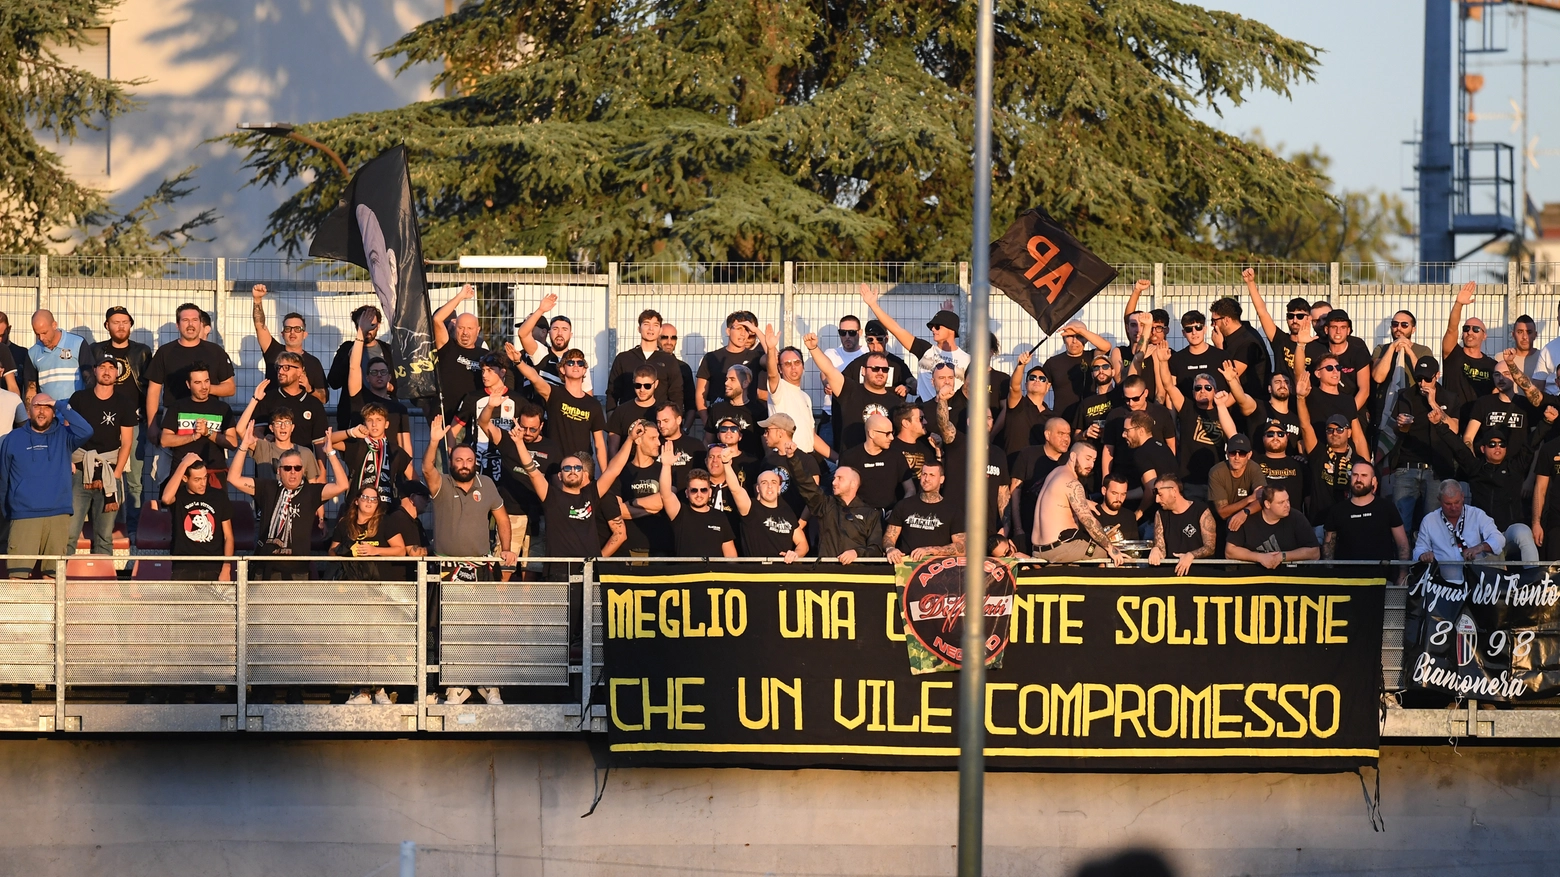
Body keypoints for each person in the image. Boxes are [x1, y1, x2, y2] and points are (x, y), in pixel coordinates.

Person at [229, 423, 349, 579]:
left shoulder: (310, 492)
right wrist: (244, 446)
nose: (293, 472)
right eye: (287, 468)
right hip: (265, 566)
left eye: (298, 468)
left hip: (297, 569)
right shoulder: (267, 487)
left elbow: (343, 485)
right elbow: (233, 478)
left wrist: (331, 453)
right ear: (279, 471)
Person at [145, 303, 237, 492]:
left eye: (195, 320)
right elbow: (153, 391)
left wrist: (203, 388)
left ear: (201, 324)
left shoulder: (214, 351)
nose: (190, 324)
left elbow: (230, 388)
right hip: (174, 421)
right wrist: (152, 425)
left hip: (210, 420)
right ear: (178, 325)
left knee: (209, 477)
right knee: (167, 478)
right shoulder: (165, 352)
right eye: (185, 320)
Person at [0, 394, 93, 576]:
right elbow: (4, 480)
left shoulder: (64, 437)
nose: (41, 411)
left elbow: (86, 430)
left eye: (47, 406)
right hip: (23, 517)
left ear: (54, 411)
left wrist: (59, 405)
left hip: (57, 515)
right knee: (17, 578)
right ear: (28, 411)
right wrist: (8, 513)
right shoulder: (12, 439)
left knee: (52, 578)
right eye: (37, 406)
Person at [78, 306, 152, 529]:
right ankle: (100, 524)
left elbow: (150, 387)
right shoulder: (95, 350)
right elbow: (88, 383)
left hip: (134, 422)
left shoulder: (143, 352)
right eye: (115, 322)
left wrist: (151, 419)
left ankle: (132, 528)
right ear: (106, 326)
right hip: (101, 423)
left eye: (124, 322)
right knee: (95, 473)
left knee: (134, 480)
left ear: (131, 324)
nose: (120, 326)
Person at [775, 435, 881, 563]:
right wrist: (793, 459)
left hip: (857, 575)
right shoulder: (825, 504)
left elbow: (876, 549)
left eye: (840, 478)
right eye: (834, 477)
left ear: (853, 484)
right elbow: (806, 485)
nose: (834, 482)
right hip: (826, 572)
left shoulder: (870, 513)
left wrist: (856, 553)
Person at [67, 356, 136, 555]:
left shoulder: (124, 403)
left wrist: (116, 474)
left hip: (109, 471)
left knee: (104, 536)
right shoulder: (79, 399)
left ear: (117, 373)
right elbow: (66, 433)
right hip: (79, 471)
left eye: (112, 368)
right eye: (102, 367)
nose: (107, 371)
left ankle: (102, 585)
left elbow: (127, 442)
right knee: (70, 533)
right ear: (95, 370)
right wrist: (68, 462)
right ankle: (63, 582)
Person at [856, 283, 970, 401]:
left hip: (953, 415)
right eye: (932, 327)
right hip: (926, 413)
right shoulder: (925, 350)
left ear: (951, 329)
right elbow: (896, 329)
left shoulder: (967, 360)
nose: (933, 329)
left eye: (937, 326)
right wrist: (873, 305)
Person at [1390, 357, 1463, 532]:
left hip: (1436, 470)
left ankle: (1431, 559)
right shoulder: (1406, 395)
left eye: (1427, 379)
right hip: (1407, 467)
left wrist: (1433, 404)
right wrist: (1402, 426)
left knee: (1434, 526)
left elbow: (1454, 429)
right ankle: (1403, 558)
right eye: (1419, 378)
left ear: (1437, 375)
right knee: (1401, 524)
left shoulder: (1450, 398)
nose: (1422, 383)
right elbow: (1394, 430)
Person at [1030, 442, 1127, 565]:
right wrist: (1111, 549)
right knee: (1110, 551)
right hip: (1060, 548)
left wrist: (1084, 501)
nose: (1091, 465)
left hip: (1037, 549)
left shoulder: (1055, 473)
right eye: (1087, 459)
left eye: (1094, 460)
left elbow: (1051, 496)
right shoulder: (1073, 484)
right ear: (1073, 457)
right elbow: (1088, 520)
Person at [1454, 428, 1540, 562]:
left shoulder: (1515, 466)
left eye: (1502, 444)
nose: (1497, 447)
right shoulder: (1475, 467)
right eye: (1492, 444)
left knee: (1523, 532)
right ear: (1483, 449)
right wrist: (1439, 426)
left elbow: (1530, 445)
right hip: (1485, 538)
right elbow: (1458, 448)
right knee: (1491, 556)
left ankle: (1534, 578)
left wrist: (1547, 422)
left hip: (1510, 534)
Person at [1158, 362, 1244, 496]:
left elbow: (1239, 395)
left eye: (1208, 387)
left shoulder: (1222, 410)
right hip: (1190, 481)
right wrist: (1163, 362)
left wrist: (1232, 380)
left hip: (1217, 480)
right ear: (1193, 393)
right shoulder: (1187, 407)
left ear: (1214, 391)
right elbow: (1168, 385)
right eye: (1198, 388)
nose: (1202, 390)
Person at [515, 348, 609, 467]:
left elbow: (599, 444)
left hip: (582, 466)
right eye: (570, 363)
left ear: (584, 370)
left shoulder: (593, 404)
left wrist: (605, 474)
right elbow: (534, 377)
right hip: (555, 463)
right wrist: (519, 361)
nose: (576, 366)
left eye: (580, 363)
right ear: (562, 369)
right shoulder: (554, 393)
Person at [806, 333, 896, 449]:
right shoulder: (850, 391)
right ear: (863, 371)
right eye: (875, 368)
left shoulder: (895, 402)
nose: (880, 372)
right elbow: (829, 370)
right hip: (852, 462)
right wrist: (813, 348)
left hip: (884, 463)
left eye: (884, 369)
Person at [1414, 480, 1504, 584]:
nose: (1453, 507)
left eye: (1457, 502)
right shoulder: (1429, 520)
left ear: (1462, 497)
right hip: (1442, 584)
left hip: (1476, 581)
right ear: (1439, 500)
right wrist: (1423, 555)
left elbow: (1499, 539)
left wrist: (1479, 547)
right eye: (1448, 504)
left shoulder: (1477, 514)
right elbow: (1419, 549)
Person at [162, 453, 233, 581]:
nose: (202, 484)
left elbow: (228, 536)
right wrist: (183, 464)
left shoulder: (218, 496)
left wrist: (226, 567)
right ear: (185, 478)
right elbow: (166, 499)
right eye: (197, 479)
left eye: (204, 478)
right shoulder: (179, 496)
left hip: (213, 565)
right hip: (184, 565)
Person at [509, 293, 593, 402]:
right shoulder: (541, 353)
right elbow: (523, 334)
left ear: (571, 334)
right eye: (555, 329)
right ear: (548, 332)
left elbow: (588, 398)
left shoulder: (579, 362)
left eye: (564, 329)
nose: (559, 333)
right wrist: (540, 310)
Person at [1323, 459, 1409, 565]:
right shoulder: (1337, 510)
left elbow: (1402, 544)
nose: (1358, 479)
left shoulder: (1387, 507)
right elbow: (1328, 547)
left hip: (1381, 577)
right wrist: (1329, 575)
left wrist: (1403, 574)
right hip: (1346, 577)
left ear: (1373, 481)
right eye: (1355, 475)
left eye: (1364, 475)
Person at [158, 364, 236, 481]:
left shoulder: (222, 408)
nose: (204, 387)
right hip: (184, 474)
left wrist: (208, 432)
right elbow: (165, 440)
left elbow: (233, 443)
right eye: (198, 383)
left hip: (214, 473)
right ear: (188, 384)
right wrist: (193, 436)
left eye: (206, 381)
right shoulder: (177, 407)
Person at [249, 284, 327, 402]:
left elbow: (324, 398)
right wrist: (257, 300)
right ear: (282, 333)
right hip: (274, 412)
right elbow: (260, 326)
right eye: (288, 329)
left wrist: (309, 388)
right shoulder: (273, 351)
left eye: (297, 329)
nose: (292, 332)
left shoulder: (314, 362)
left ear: (304, 334)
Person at [883, 460, 966, 566]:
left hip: (937, 571)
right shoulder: (903, 505)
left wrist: (929, 550)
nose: (926, 479)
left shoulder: (953, 510)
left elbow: (962, 548)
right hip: (906, 569)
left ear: (941, 479)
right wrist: (890, 549)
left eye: (932, 475)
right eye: (924, 474)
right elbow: (889, 537)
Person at [658, 450, 738, 557]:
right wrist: (666, 466)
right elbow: (665, 494)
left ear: (709, 492)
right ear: (687, 493)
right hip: (686, 573)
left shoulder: (720, 516)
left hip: (713, 573)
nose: (699, 494)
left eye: (703, 490)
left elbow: (730, 555)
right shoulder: (679, 513)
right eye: (694, 490)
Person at [1241, 269, 1317, 380]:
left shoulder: (1318, 346)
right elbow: (1261, 311)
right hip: (1282, 393)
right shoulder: (1281, 340)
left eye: (1300, 316)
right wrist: (1250, 283)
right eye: (1291, 316)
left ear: (1309, 318)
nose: (1294, 320)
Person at [1462, 350, 1544, 452]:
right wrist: (1473, 463)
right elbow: (1468, 437)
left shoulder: (1526, 404)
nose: (1501, 378)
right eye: (1497, 375)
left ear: (1514, 376)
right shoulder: (1483, 403)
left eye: (1506, 374)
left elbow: (1535, 440)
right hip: (1488, 464)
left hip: (1518, 464)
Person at [327, 305, 397, 423]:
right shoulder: (347, 349)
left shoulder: (388, 350)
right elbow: (334, 382)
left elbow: (400, 383)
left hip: (383, 413)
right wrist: (347, 360)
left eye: (372, 325)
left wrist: (391, 387)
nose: (367, 330)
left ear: (378, 325)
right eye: (362, 325)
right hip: (354, 413)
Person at [606, 309, 684, 413]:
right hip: (628, 420)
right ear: (639, 328)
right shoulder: (623, 358)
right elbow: (612, 393)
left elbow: (676, 395)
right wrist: (612, 420)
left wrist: (674, 421)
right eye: (646, 324)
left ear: (660, 330)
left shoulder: (669, 361)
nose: (651, 328)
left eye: (655, 325)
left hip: (658, 422)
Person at [759, 325, 820, 456]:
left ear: (803, 366)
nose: (793, 367)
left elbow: (812, 437)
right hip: (786, 458)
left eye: (797, 362)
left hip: (808, 458)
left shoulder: (805, 397)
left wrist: (837, 458)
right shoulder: (779, 388)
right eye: (787, 364)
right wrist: (770, 349)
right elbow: (772, 375)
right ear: (780, 369)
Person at [1293, 356, 1370, 459]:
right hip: (1319, 458)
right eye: (1329, 368)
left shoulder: (1348, 400)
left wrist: (1367, 467)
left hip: (1346, 460)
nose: (1335, 371)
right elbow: (1299, 373)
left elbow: (1358, 438)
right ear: (1318, 373)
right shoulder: (1311, 394)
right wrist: (1301, 345)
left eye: (1338, 368)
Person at [838, 412, 913, 517]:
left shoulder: (896, 456)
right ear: (872, 433)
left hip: (889, 516)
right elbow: (840, 491)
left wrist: (897, 512)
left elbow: (910, 490)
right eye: (887, 433)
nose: (891, 437)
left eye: (893, 432)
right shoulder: (850, 457)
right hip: (859, 518)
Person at [727, 465, 807, 561]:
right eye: (764, 483)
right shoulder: (750, 507)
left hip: (783, 572)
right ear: (757, 488)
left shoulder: (787, 512)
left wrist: (795, 554)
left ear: (779, 488)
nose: (769, 486)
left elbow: (802, 543)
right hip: (757, 572)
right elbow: (736, 490)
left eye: (774, 482)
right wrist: (726, 464)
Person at [330, 485, 407, 583]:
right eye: (365, 497)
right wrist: (347, 551)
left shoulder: (385, 522)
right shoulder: (344, 523)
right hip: (350, 582)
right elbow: (331, 552)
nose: (369, 501)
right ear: (356, 501)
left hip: (379, 583)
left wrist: (375, 550)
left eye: (374, 499)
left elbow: (401, 550)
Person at [1440, 281, 1495, 420]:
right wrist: (1458, 304)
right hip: (1452, 420)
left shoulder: (1492, 366)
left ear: (1484, 335)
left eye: (1476, 329)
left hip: (1478, 424)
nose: (1470, 332)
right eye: (1466, 329)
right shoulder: (1453, 354)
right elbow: (1451, 329)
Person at [432, 283, 488, 419]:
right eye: (461, 328)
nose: (465, 333)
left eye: (470, 328)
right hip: (447, 417)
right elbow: (437, 319)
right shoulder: (448, 348)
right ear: (454, 327)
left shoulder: (485, 356)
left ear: (478, 330)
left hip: (475, 418)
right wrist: (461, 296)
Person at [250, 353, 328, 449]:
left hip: (303, 462)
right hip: (272, 461)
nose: (281, 372)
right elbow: (256, 431)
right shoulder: (267, 398)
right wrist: (266, 445)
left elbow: (319, 442)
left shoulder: (314, 404)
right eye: (279, 368)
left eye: (286, 368)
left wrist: (321, 464)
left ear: (299, 371)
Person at [695, 311, 764, 417]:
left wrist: (756, 330)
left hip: (748, 420)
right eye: (739, 328)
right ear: (728, 331)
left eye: (747, 330)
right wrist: (707, 424)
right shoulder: (711, 357)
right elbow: (700, 395)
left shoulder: (755, 357)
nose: (743, 334)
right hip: (719, 421)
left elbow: (776, 359)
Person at [1042, 320, 1113, 422]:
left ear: (1086, 339)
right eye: (1070, 336)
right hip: (1062, 419)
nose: (1074, 341)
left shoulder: (1092, 357)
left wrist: (1081, 331)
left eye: (1079, 336)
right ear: (1063, 339)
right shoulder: (1052, 363)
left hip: (1088, 418)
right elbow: (1041, 391)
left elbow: (1106, 346)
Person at [1146, 473, 1216, 576]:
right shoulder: (1160, 514)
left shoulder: (1201, 511)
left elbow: (1210, 547)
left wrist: (1191, 555)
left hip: (1199, 573)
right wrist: (1156, 550)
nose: (1157, 500)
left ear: (1174, 491)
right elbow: (1161, 547)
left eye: (1160, 495)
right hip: (1172, 574)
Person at [1302, 308, 1371, 412]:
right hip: (1323, 410)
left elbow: (1364, 390)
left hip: (1353, 410)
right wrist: (1300, 344)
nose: (1338, 331)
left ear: (1348, 331)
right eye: (1334, 327)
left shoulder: (1359, 353)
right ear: (1326, 330)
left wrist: (1348, 415)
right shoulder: (1316, 351)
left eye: (1343, 327)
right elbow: (1299, 373)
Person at [1209, 296, 1270, 401]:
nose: (1212, 325)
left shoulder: (1248, 342)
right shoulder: (1236, 335)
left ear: (1226, 320)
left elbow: (1228, 375)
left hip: (1250, 406)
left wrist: (1219, 347)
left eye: (1214, 321)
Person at [840, 320, 916, 398]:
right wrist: (829, 385)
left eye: (879, 341)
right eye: (870, 341)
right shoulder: (857, 363)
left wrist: (907, 388)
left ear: (886, 339)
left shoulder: (897, 364)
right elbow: (840, 381)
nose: (875, 348)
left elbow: (914, 384)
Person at [1208, 433, 1266, 534]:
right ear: (1227, 453)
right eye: (1233, 453)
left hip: (1248, 518)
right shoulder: (1216, 472)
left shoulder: (1254, 468)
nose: (1237, 457)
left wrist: (1245, 512)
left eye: (1242, 453)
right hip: (1220, 522)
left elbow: (1262, 499)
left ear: (1249, 455)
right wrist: (1249, 499)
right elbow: (1222, 513)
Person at [706, 364, 767, 458]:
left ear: (745, 383)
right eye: (726, 379)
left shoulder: (758, 411)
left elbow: (766, 447)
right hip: (721, 466)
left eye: (732, 379)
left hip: (748, 468)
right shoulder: (717, 409)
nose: (726, 383)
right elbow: (708, 441)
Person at [820, 314, 866, 438]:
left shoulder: (867, 354)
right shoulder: (831, 353)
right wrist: (827, 384)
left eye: (851, 332)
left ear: (860, 332)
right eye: (842, 332)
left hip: (858, 416)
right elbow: (824, 373)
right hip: (831, 413)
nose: (847, 337)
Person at [1164, 310, 1229, 394]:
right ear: (1183, 333)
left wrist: (1221, 406)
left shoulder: (1222, 356)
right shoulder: (1176, 359)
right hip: (1185, 407)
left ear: (1205, 329)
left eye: (1198, 327)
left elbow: (1235, 389)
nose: (1194, 332)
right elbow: (1171, 392)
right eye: (1189, 329)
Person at [27, 309, 85, 402]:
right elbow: (30, 388)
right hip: (48, 412)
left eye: (44, 333)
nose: (41, 338)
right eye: (37, 334)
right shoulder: (32, 352)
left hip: (75, 410)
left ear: (54, 325)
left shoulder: (78, 343)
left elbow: (90, 378)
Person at [1003, 352, 1051, 463]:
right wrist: (1021, 365)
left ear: (1048, 387)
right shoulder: (1018, 404)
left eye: (1042, 379)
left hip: (1038, 473)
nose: (1037, 380)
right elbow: (1014, 387)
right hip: (1013, 466)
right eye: (1032, 378)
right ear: (1025, 384)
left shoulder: (1052, 417)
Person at [604, 366, 662, 455]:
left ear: (656, 384)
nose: (642, 390)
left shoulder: (663, 410)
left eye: (647, 386)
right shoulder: (621, 411)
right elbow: (612, 448)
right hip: (627, 466)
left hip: (657, 466)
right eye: (638, 385)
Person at [1254, 422, 1307, 508]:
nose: (1275, 437)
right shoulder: (1254, 463)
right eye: (1270, 434)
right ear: (1263, 437)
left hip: (1292, 519)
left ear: (1287, 436)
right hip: (1262, 519)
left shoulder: (1299, 465)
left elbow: (1308, 498)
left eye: (1280, 434)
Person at [1093, 473, 1138, 540]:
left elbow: (1133, 547)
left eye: (1123, 494)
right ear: (1104, 491)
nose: (1119, 499)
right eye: (1114, 493)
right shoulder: (1092, 514)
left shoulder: (1130, 517)